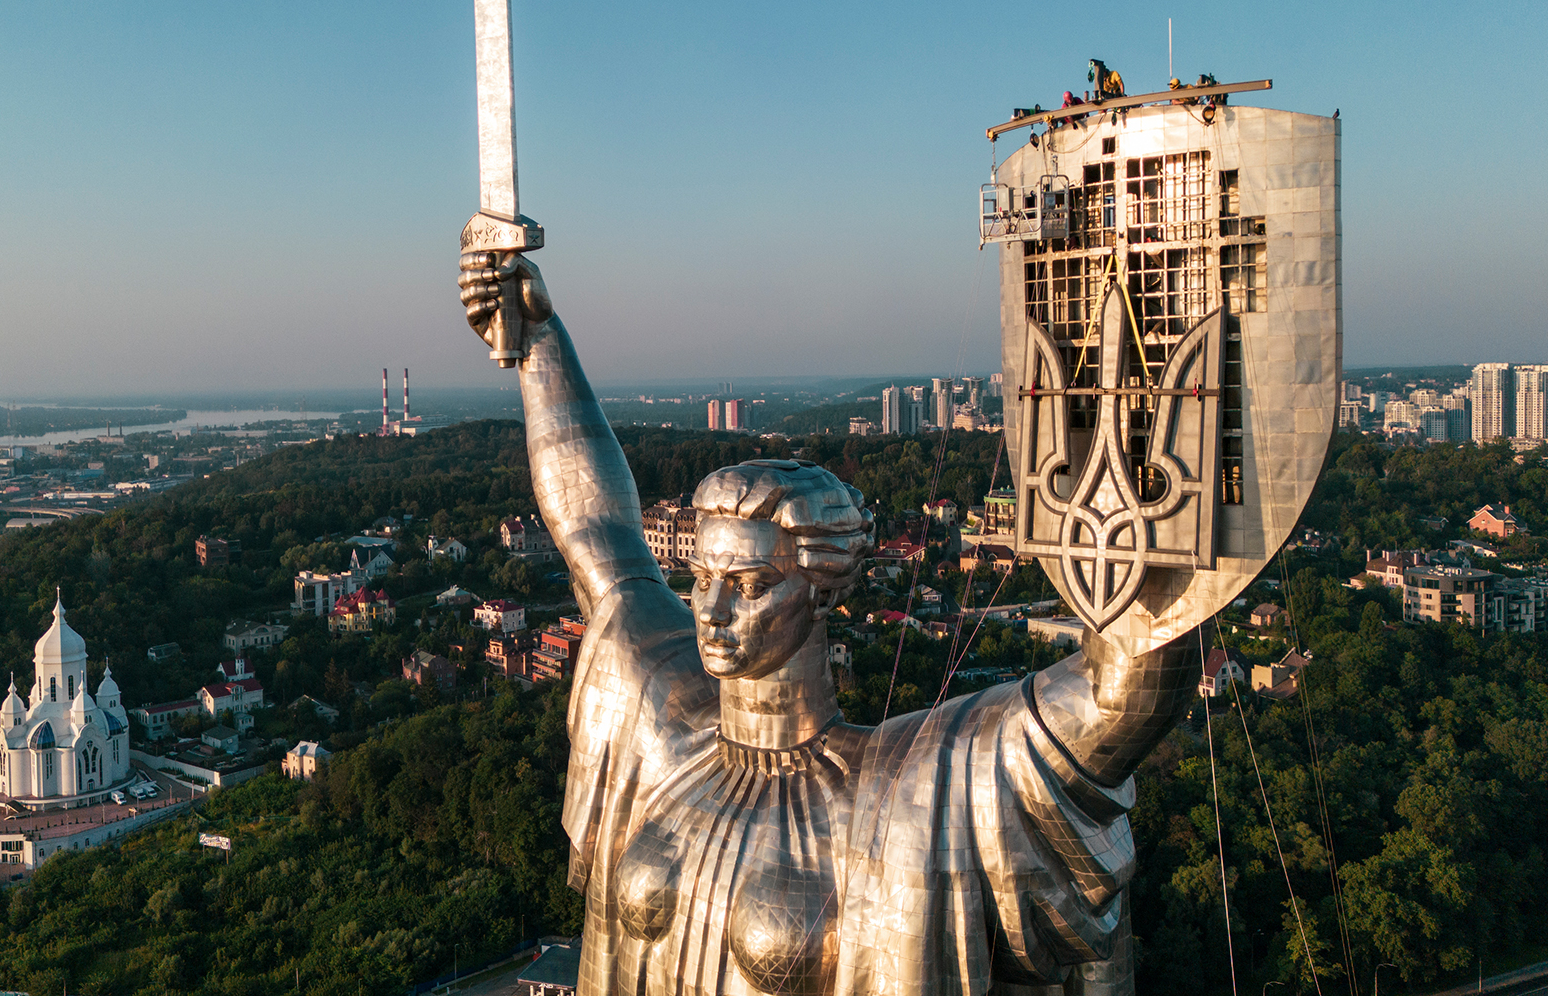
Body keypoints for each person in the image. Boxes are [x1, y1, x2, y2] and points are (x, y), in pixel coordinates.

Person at [458, 253, 1200, 996]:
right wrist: (537, 337)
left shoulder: (906, 793)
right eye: (702, 579)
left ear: (820, 593)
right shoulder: (660, 719)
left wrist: (1139, 389)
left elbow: (1124, 694)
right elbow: (596, 527)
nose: (710, 611)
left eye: (750, 586)